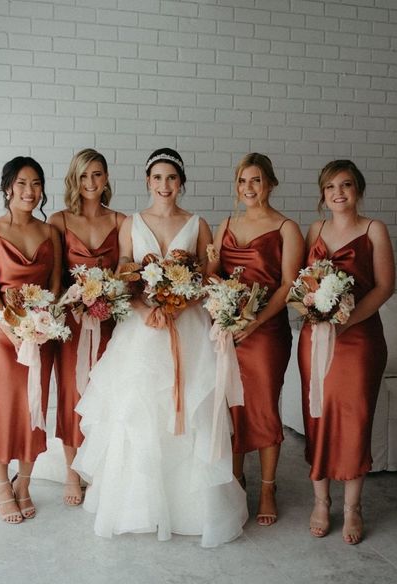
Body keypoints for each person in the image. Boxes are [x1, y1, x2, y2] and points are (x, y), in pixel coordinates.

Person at [72, 148, 248, 546]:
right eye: (157, 178)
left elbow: (206, 274)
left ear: (181, 183)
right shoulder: (131, 223)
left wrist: (178, 303)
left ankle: (192, 507)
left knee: (187, 406)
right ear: (147, 182)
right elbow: (123, 272)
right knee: (140, 410)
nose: (164, 185)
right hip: (142, 327)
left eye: (172, 178)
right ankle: (139, 505)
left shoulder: (197, 223)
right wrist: (142, 308)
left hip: (186, 325)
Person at [298, 159, 395, 544]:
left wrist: (346, 321)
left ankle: (353, 506)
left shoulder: (375, 230)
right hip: (315, 338)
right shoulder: (314, 229)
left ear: (358, 189)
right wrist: (311, 310)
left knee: (355, 420)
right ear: (323, 195)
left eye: (347, 185)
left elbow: (384, 286)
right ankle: (321, 501)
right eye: (330, 187)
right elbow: (302, 282)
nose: (339, 192)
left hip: (359, 340)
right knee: (316, 416)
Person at [208, 153, 304, 526]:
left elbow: (287, 285)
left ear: (271, 184)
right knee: (231, 406)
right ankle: (235, 480)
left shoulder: (286, 228)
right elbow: (214, 272)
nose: (249, 188)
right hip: (229, 329)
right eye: (243, 181)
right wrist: (218, 296)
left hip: (266, 331)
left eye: (257, 181)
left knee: (262, 406)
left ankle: (267, 487)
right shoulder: (226, 224)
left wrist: (256, 321)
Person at [0, 156, 62, 523]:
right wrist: (12, 330)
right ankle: (1, 485)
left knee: (34, 412)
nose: (30, 191)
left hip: (41, 335)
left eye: (37, 184)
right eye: (23, 183)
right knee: (4, 411)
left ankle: (24, 484)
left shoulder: (49, 233)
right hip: (0, 337)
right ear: (8, 187)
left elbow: (55, 284)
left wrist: (43, 324)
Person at [49, 149, 125, 506]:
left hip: (110, 323)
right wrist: (75, 297)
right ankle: (72, 471)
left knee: (106, 395)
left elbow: (128, 274)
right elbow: (52, 279)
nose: (91, 183)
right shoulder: (58, 221)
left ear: (106, 178)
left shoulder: (121, 221)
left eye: (97, 175)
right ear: (74, 180)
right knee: (72, 394)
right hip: (73, 324)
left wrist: (108, 295)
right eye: (83, 176)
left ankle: (103, 468)